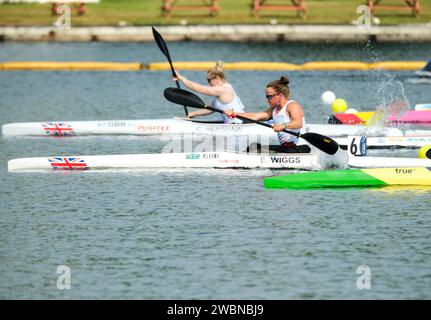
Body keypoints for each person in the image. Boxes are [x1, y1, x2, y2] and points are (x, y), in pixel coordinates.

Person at [224, 76, 311, 153]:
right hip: (286, 148)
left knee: (255, 149)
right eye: (267, 97)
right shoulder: (274, 110)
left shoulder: (292, 106)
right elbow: (254, 116)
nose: (267, 100)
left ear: (280, 96)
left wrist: (283, 126)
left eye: (269, 96)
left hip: (300, 148)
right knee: (254, 147)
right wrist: (234, 114)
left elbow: (298, 123)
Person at [173, 61, 245, 124]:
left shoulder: (223, 89)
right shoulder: (219, 95)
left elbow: (200, 89)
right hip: (232, 124)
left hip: (239, 124)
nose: (208, 83)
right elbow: (210, 110)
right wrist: (192, 114)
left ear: (217, 78)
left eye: (209, 80)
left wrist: (182, 78)